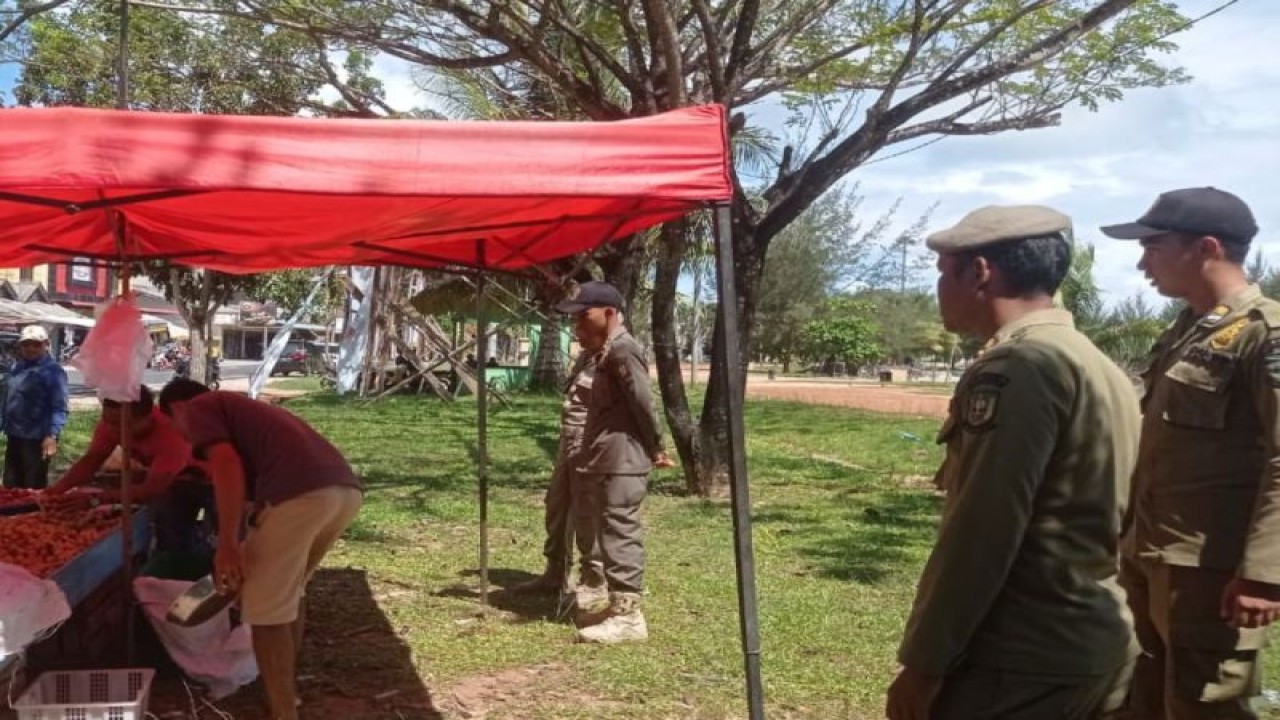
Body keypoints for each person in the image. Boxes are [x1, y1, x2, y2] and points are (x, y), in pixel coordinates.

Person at [886, 206, 1140, 720]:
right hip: (1092, 640)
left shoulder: (1018, 367)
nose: (939, 289)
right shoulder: (1095, 363)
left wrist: (925, 665)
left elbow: (983, 531)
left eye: (943, 272)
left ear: (980, 272)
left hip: (1022, 658)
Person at [1102, 187, 1278, 718]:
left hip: (1213, 569)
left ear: (1206, 247)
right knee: (1147, 698)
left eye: (1153, 246)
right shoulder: (1186, 330)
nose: (1141, 262)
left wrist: (1265, 571)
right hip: (1153, 555)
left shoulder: (1264, 334)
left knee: (1208, 704)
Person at [158, 379, 363, 720]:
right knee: (289, 594)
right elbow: (254, 506)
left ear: (175, 409)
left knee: (266, 615)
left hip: (301, 497)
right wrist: (238, 548)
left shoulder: (199, 407)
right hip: (342, 493)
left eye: (175, 428)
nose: (185, 438)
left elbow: (226, 466)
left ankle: (283, 711)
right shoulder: (248, 416)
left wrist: (224, 545)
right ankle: (286, 692)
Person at [554, 281, 673, 644]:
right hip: (608, 456)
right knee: (609, 531)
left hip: (623, 458)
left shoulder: (623, 351)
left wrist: (656, 446)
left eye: (583, 317)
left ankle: (629, 619)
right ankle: (617, 607)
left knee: (621, 531)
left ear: (608, 313)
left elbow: (642, 403)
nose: (577, 327)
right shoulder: (605, 352)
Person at [45, 386, 216, 555]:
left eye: (120, 424)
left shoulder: (170, 435)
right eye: (107, 421)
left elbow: (153, 489)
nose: (112, 430)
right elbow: (91, 461)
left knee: (218, 536)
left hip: (212, 479)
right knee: (171, 537)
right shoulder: (111, 423)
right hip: (174, 478)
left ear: (146, 418)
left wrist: (97, 499)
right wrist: (54, 493)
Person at [512, 349, 607, 608]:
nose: (578, 328)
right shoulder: (586, 355)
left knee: (587, 510)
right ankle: (555, 571)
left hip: (591, 441)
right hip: (569, 438)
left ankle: (594, 578)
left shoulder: (617, 355)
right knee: (556, 504)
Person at [2, 325, 69, 489]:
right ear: (20, 346)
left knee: (32, 486)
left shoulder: (53, 372)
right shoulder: (16, 368)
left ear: (46, 344)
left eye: (36, 344)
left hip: (37, 438)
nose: (31, 348)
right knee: (10, 483)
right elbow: (7, 399)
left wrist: (52, 435)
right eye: (26, 344)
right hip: (14, 435)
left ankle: (31, 514)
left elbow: (59, 406)